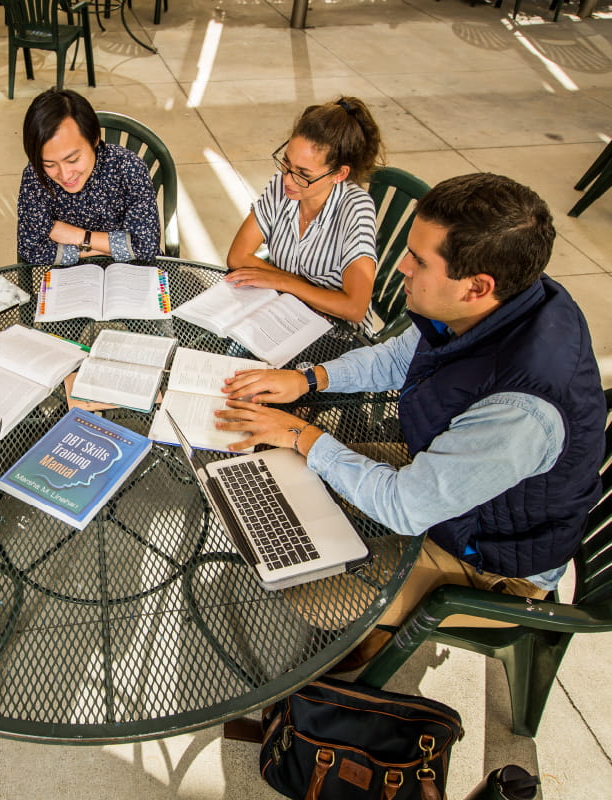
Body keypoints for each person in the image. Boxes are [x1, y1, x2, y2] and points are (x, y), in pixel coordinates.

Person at [216, 173, 605, 667]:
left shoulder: (520, 410)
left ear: (476, 286)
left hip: (491, 559)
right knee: (271, 465)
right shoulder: (504, 300)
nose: (399, 266)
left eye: (419, 261)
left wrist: (301, 434)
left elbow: (405, 507)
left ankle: (349, 658)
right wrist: (306, 378)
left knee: (300, 583)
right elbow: (394, 359)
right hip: (452, 485)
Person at [225, 96, 384, 330]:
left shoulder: (356, 210)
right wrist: (300, 287)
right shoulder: (281, 186)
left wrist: (282, 281)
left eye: (303, 174)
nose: (288, 179)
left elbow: (354, 308)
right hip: (283, 313)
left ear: (339, 174)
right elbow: (237, 257)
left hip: (336, 332)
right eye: (286, 163)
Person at [17, 88, 161, 265]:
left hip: (133, 273)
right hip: (68, 278)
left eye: (73, 159)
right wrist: (115, 247)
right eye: (49, 164)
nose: (65, 175)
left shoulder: (128, 168)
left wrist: (78, 236)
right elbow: (30, 249)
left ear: (94, 139)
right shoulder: (34, 176)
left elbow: (147, 247)